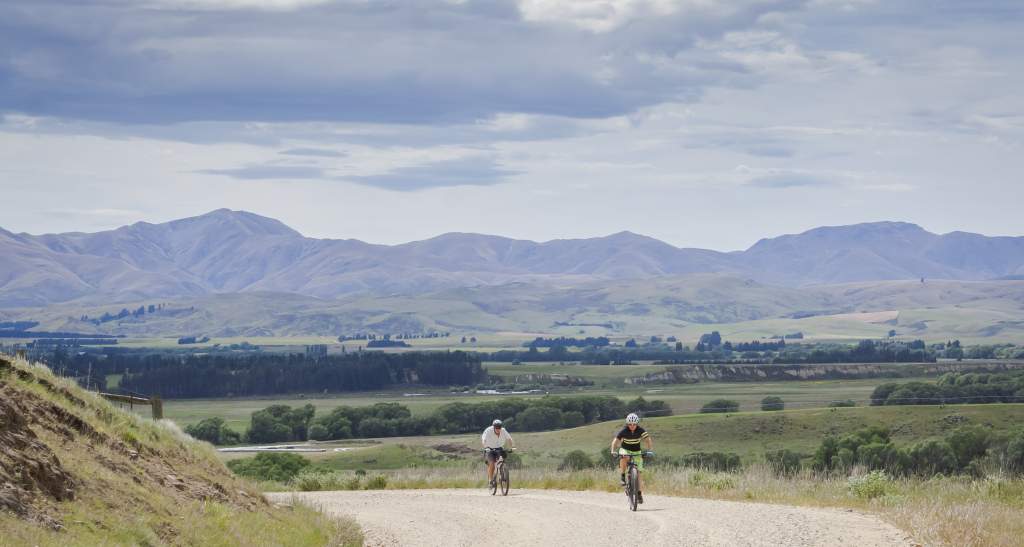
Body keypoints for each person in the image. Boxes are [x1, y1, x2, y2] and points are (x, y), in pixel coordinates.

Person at [610, 413, 653, 504]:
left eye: (634, 424)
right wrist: (613, 451)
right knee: (624, 457)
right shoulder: (624, 431)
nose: (632, 426)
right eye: (630, 424)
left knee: (639, 473)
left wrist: (649, 450)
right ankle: (622, 475)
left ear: (637, 423)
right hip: (625, 450)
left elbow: (648, 439)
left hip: (637, 451)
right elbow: (615, 441)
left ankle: (639, 493)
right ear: (627, 424)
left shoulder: (640, 430)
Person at [482, 419, 515, 487]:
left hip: (499, 448)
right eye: (496, 427)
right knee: (492, 464)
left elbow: (509, 439)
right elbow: (484, 440)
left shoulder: (503, 430)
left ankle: (501, 473)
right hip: (490, 449)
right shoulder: (488, 430)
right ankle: (490, 480)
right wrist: (486, 447)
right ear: (493, 427)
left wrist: (512, 447)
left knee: (502, 460)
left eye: (499, 427)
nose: (498, 429)